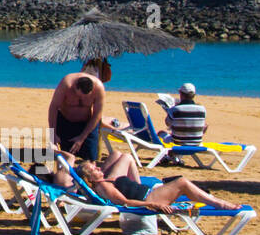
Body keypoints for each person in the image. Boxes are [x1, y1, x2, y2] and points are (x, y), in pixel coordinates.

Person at [71, 152, 233, 213]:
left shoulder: (104, 182)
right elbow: (125, 202)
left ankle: (215, 201)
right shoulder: (104, 186)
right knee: (182, 182)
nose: (99, 168)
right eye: (94, 169)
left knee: (126, 157)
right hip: (150, 198)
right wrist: (154, 205)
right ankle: (219, 204)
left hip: (147, 193)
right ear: (90, 179)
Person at [48, 72, 105, 181]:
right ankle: (62, 180)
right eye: (78, 95)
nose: (80, 98)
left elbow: (98, 114)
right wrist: (53, 134)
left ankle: (90, 182)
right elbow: (53, 108)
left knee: (90, 157)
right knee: (64, 156)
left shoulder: (99, 88)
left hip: (87, 123)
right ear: (75, 87)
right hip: (66, 121)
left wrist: (82, 138)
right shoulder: (66, 84)